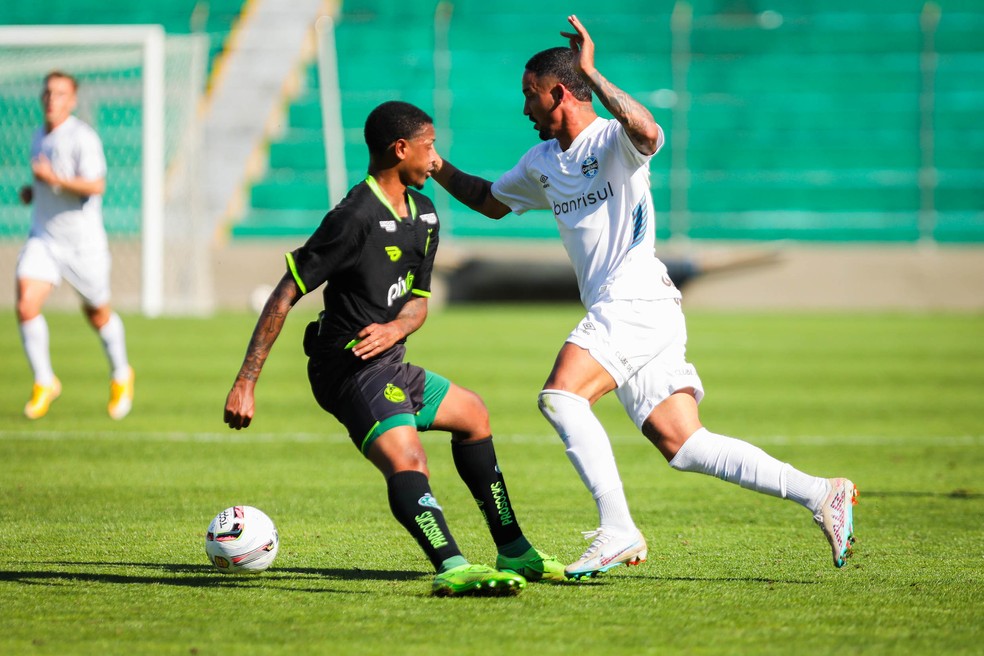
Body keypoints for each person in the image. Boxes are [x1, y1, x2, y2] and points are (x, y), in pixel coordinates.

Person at [431, 15, 858, 579]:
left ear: (559, 92)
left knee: (561, 397)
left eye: (530, 96)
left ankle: (617, 529)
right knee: (683, 443)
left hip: (634, 300)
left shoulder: (613, 140)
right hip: (634, 309)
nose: (525, 109)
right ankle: (821, 493)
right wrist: (434, 167)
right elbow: (488, 200)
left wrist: (594, 72)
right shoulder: (541, 164)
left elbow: (649, 131)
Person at [223, 100, 565, 597]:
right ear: (400, 149)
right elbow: (285, 291)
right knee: (410, 460)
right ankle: (451, 565)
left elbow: (418, 305)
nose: (435, 160)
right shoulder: (352, 217)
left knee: (473, 414)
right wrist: (246, 382)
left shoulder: (424, 214)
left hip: (389, 362)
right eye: (428, 148)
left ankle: (514, 548)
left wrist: (395, 330)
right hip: (347, 369)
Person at [16, 70, 134, 420]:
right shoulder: (39, 135)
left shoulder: (83, 137)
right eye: (48, 93)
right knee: (26, 304)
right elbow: (48, 187)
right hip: (45, 238)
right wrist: (33, 191)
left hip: (83, 246)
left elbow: (96, 185)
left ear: (73, 100)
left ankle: (122, 373)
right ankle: (44, 380)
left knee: (97, 314)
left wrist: (54, 180)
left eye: (60, 94)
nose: (52, 99)